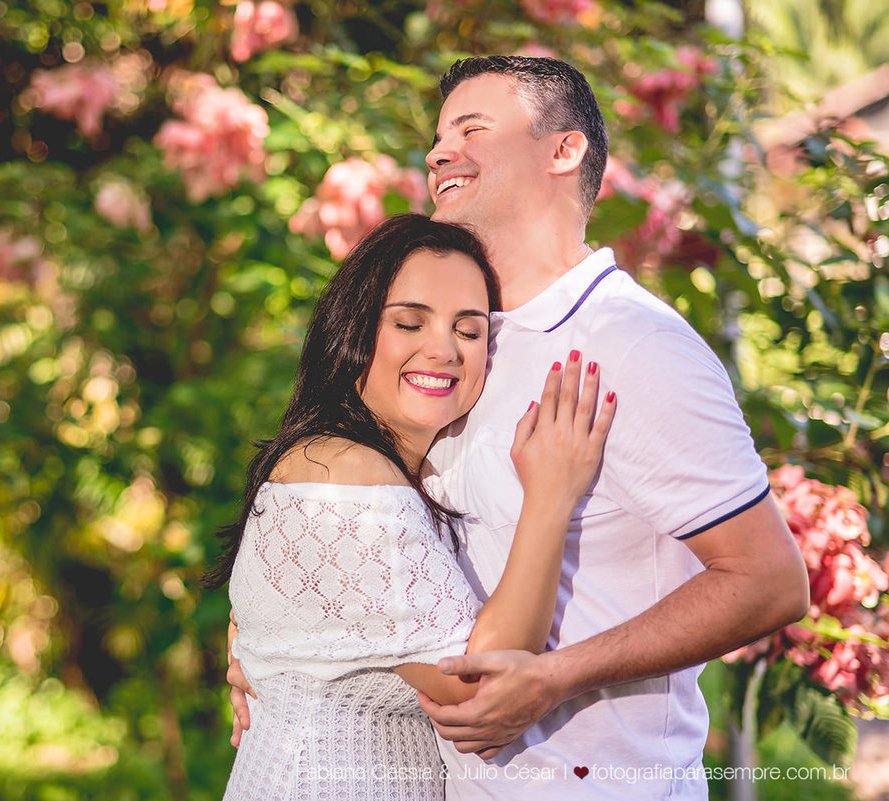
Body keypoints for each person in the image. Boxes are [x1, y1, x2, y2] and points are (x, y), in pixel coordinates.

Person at [230, 56, 810, 800]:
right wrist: (276, 641)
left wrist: (556, 676)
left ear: (563, 150)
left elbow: (768, 580)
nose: (439, 152)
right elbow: (364, 548)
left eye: (473, 129)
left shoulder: (634, 344)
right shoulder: (455, 353)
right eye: (438, 137)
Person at [210, 212, 616, 800]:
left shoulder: (363, 464)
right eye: (409, 322)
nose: (443, 349)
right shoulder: (345, 476)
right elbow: (480, 685)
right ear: (353, 329)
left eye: (470, 331)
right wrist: (551, 498)